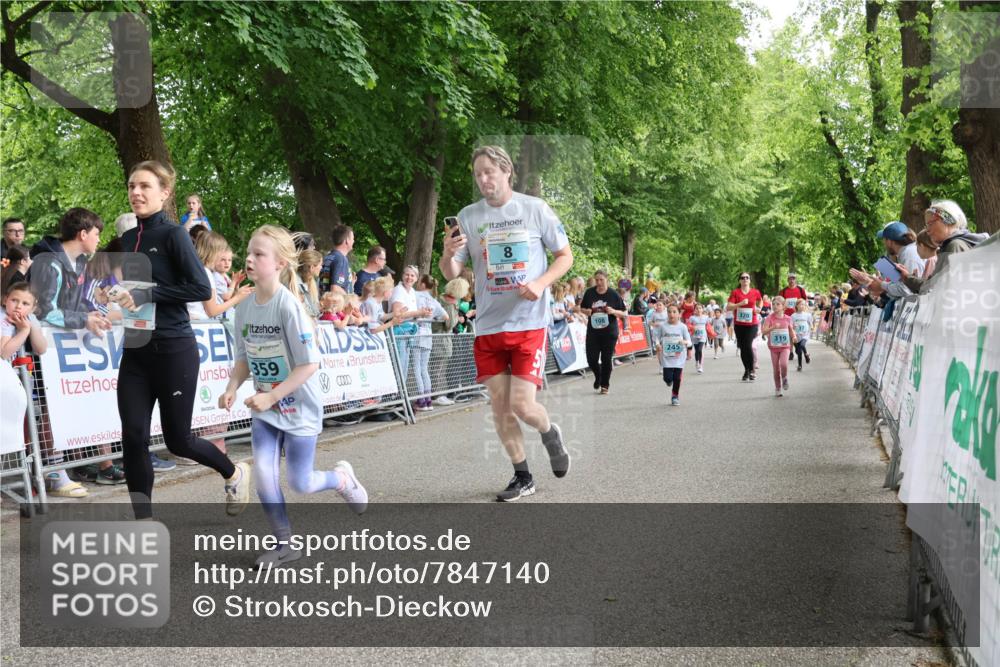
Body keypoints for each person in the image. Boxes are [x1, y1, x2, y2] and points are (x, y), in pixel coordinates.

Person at [108, 160, 248, 520]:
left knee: (178, 440)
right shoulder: (128, 238)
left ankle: (234, 473)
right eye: (132, 186)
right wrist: (122, 295)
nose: (136, 192)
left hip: (174, 349)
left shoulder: (174, 235)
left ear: (165, 193)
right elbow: (138, 290)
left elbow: (200, 288)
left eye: (145, 186)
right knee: (133, 437)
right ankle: (144, 523)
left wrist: (147, 293)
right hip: (137, 349)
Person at [220, 225, 367, 566]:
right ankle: (285, 544)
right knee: (264, 479)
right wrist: (231, 387)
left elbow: (309, 364)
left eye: (259, 254)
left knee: (301, 482)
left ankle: (342, 479)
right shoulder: (243, 307)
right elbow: (243, 357)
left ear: (281, 263)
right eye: (249, 252)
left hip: (298, 407)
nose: (250, 259)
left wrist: (273, 397)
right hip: (265, 410)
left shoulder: (289, 307)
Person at [439, 145, 572, 502]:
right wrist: (447, 254)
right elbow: (452, 272)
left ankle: (549, 431)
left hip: (529, 322)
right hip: (489, 326)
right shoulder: (469, 216)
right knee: (500, 407)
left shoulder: (534, 208)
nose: (483, 179)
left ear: (506, 171)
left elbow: (565, 256)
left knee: (523, 405)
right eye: (478, 174)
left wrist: (540, 283)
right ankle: (522, 476)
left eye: (489, 172)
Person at [898, 200, 986, 293]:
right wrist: (908, 278)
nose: (927, 230)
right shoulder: (964, 243)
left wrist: (908, 278)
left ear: (947, 221)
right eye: (926, 225)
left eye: (930, 224)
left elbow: (935, 289)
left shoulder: (954, 246)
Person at [578, 270, 627, 394]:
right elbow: (582, 308)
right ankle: (598, 376)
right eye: (597, 280)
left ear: (606, 280)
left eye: (601, 280)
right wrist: (586, 311)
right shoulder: (589, 293)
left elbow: (624, 313)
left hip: (609, 332)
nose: (599, 282)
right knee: (591, 359)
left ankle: (605, 385)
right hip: (593, 332)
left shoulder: (613, 294)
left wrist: (613, 311)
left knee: (606, 359)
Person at [389, 265, 432, 390]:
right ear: (402, 275)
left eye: (412, 275)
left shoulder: (412, 291)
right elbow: (397, 313)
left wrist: (423, 313)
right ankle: (395, 395)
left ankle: (400, 395)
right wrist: (418, 312)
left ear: (416, 278)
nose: (409, 277)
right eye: (407, 274)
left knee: (405, 366)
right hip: (399, 331)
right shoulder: (398, 290)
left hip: (409, 332)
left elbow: (412, 313)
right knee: (399, 365)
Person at [412, 275, 449, 411]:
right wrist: (433, 319)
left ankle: (421, 400)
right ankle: (428, 400)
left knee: (417, 368)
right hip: (428, 335)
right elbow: (445, 316)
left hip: (417, 333)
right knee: (424, 368)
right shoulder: (434, 301)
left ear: (422, 284)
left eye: (418, 281)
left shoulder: (415, 295)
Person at [727, 272, 762, 382]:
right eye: (743, 278)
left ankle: (752, 370)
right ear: (740, 280)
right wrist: (740, 304)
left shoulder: (755, 292)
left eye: (747, 277)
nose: (745, 279)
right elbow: (729, 307)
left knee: (748, 345)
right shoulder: (735, 292)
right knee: (742, 347)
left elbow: (760, 301)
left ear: (750, 280)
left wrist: (759, 308)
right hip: (739, 324)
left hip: (752, 324)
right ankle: (746, 370)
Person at [654, 304, 692, 406]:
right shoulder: (663, 326)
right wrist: (657, 344)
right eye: (669, 312)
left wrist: (684, 342)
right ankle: (669, 381)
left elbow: (689, 341)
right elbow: (657, 338)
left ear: (679, 314)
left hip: (679, 358)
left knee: (677, 378)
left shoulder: (682, 327)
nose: (672, 314)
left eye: (674, 312)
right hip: (667, 358)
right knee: (667, 378)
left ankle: (675, 396)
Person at [761, 296, 796, 397]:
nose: (775, 306)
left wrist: (794, 337)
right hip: (774, 347)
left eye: (778, 304)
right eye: (773, 304)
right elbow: (764, 331)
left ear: (783, 306)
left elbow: (791, 330)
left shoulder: (788, 318)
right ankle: (778, 387)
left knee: (784, 364)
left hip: (785, 346)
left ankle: (784, 378)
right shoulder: (769, 318)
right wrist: (772, 328)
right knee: (776, 368)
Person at [319, 224, 354, 294]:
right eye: (352, 239)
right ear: (347, 241)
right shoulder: (341, 259)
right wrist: (350, 298)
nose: (353, 241)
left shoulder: (329, 256)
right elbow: (335, 289)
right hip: (335, 300)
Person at [297, 249, 323, 319]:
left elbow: (314, 311)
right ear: (312, 267)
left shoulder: (311, 282)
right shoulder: (296, 283)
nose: (321, 268)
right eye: (320, 265)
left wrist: (322, 307)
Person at [791, 299, 813, 371]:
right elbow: (791, 325)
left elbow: (810, 323)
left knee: (802, 345)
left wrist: (812, 327)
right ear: (797, 306)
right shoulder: (793, 316)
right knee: (798, 351)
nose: (802, 306)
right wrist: (793, 327)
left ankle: (805, 357)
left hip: (805, 334)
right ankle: (801, 363)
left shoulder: (807, 315)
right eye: (801, 304)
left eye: (803, 304)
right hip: (796, 335)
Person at [688, 303, 710, 374]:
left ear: (702, 309)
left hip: (703, 335)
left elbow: (708, 326)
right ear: (694, 310)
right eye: (697, 308)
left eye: (700, 308)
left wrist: (711, 333)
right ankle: (697, 362)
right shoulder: (692, 318)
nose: (698, 310)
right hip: (695, 336)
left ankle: (700, 366)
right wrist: (691, 327)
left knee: (700, 350)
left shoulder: (706, 317)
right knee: (696, 350)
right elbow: (688, 325)